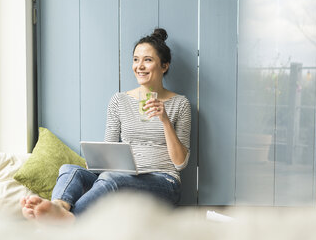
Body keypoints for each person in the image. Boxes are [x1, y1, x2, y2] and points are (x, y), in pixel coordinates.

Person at [20, 28, 191, 225]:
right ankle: (58, 207)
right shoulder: (119, 100)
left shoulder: (180, 104)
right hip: (123, 176)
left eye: (147, 60)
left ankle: (66, 221)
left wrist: (164, 120)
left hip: (164, 182)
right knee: (70, 170)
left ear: (164, 66)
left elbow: (180, 163)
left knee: (111, 178)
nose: (139, 66)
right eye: (136, 59)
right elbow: (108, 152)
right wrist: (95, 162)